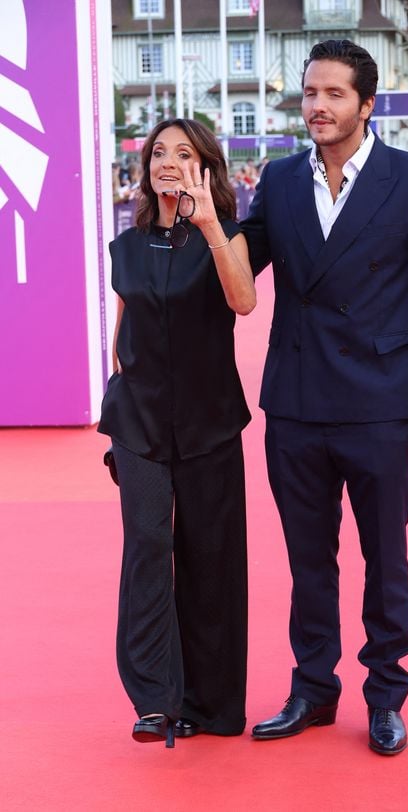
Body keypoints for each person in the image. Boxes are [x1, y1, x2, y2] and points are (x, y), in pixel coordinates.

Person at [242, 40, 408, 755]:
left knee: (385, 555)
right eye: (310, 93)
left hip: (381, 400)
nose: (318, 106)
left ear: (367, 105)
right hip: (297, 400)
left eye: (334, 94)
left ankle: (386, 695)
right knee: (308, 559)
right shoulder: (277, 183)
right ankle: (312, 689)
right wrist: (186, 223)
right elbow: (238, 266)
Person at [98, 118, 256, 747]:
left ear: (205, 166)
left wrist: (210, 223)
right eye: (158, 153)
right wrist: (118, 391)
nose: (166, 161)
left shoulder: (225, 237)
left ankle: (211, 704)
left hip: (209, 418)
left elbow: (243, 302)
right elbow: (124, 328)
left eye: (182, 153)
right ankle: (154, 699)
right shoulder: (126, 246)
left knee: (210, 557)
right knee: (145, 548)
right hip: (137, 419)